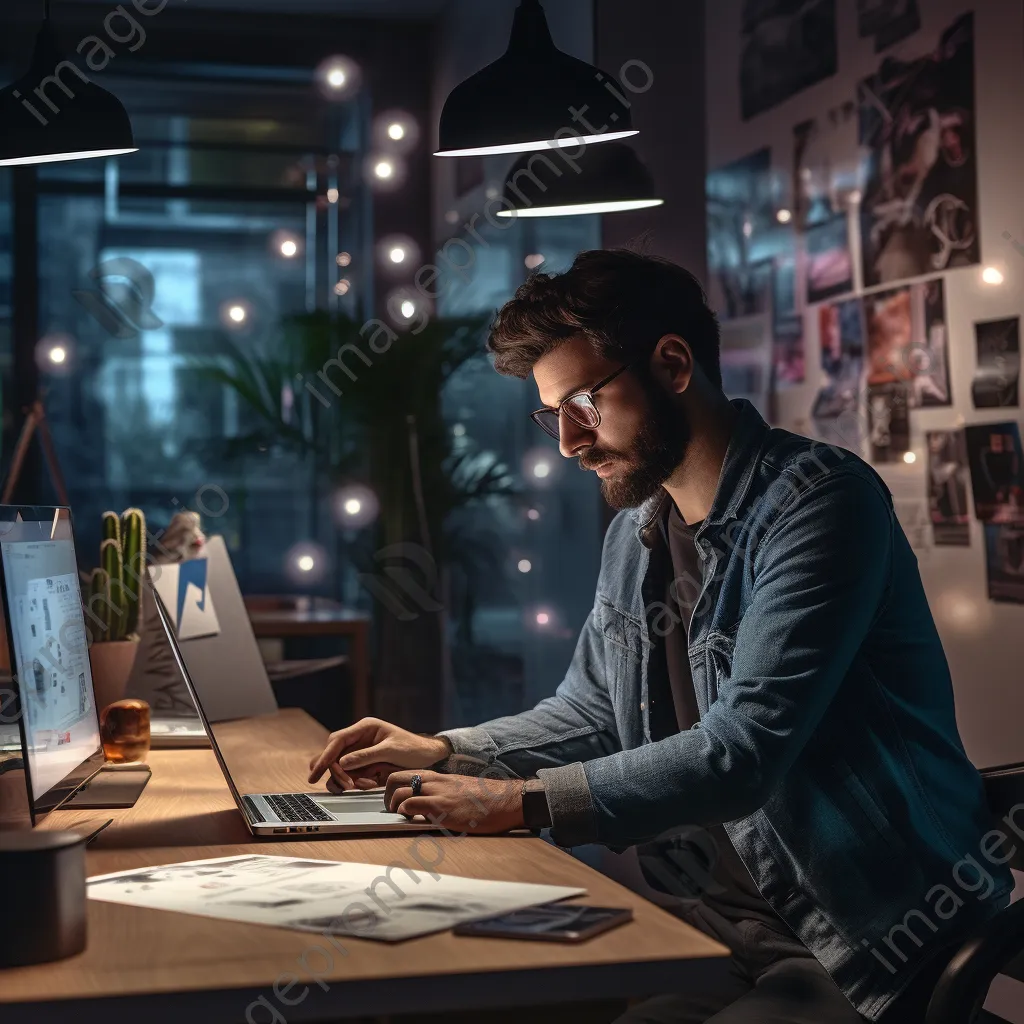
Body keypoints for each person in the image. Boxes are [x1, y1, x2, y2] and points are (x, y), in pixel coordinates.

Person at [308, 250, 1011, 1022]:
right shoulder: (636, 533)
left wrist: (517, 802)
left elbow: (741, 754)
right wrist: (445, 751)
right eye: (554, 415)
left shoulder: (820, 505)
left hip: (862, 947)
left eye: (585, 402)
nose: (570, 441)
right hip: (713, 931)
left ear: (672, 364)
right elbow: (590, 714)